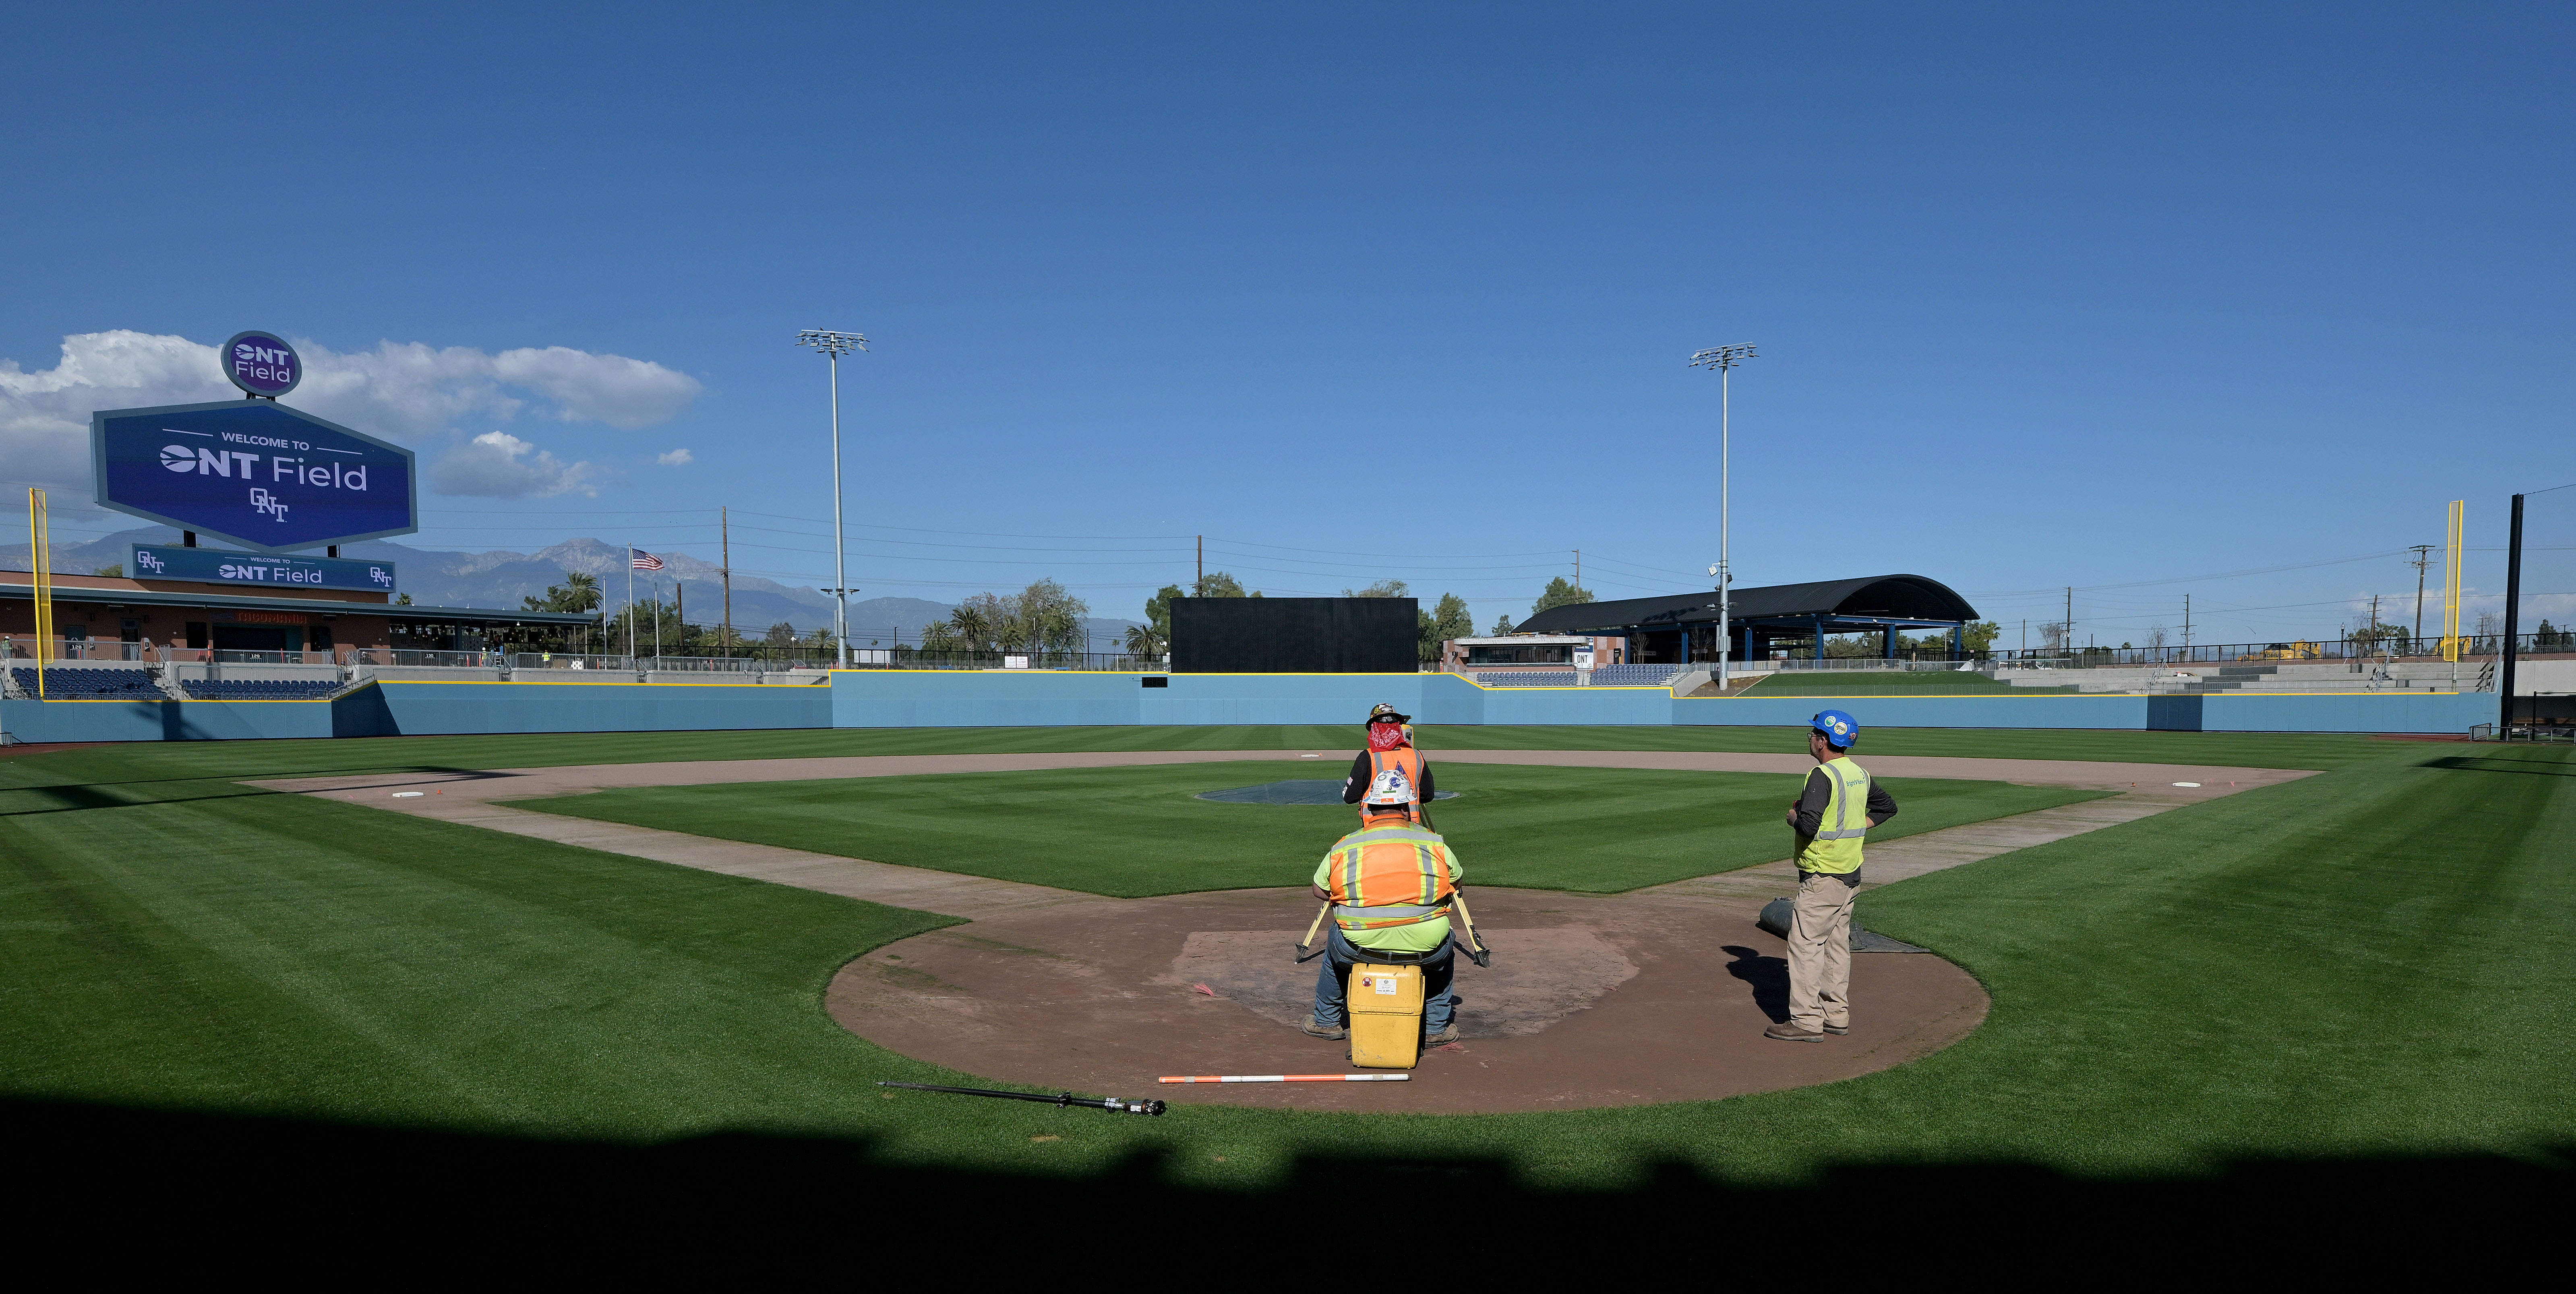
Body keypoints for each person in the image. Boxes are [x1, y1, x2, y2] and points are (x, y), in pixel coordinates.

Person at [1765, 709, 1899, 1043]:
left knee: (1805, 946)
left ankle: (1807, 1021)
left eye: (1813, 735)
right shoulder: (1858, 773)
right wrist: (1854, 831)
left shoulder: (1821, 776)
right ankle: (1835, 1015)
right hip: (1849, 874)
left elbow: (1809, 826)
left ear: (1823, 740)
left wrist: (1792, 817)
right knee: (1837, 947)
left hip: (1823, 876)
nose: (1810, 739)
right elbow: (1886, 808)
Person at [1302, 795, 1468, 1046]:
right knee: (1445, 954)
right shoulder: (1433, 842)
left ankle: (1326, 1022)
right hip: (1427, 949)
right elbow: (1456, 882)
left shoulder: (1346, 845)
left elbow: (1319, 889)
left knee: (1334, 949)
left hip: (1358, 947)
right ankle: (1435, 1028)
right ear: (1406, 809)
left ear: (1369, 810)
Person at [1341, 703, 1438, 829]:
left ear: (1374, 728)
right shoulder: (1416, 755)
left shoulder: (1368, 757)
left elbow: (1350, 797)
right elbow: (1428, 795)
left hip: (1374, 829)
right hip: (1410, 829)